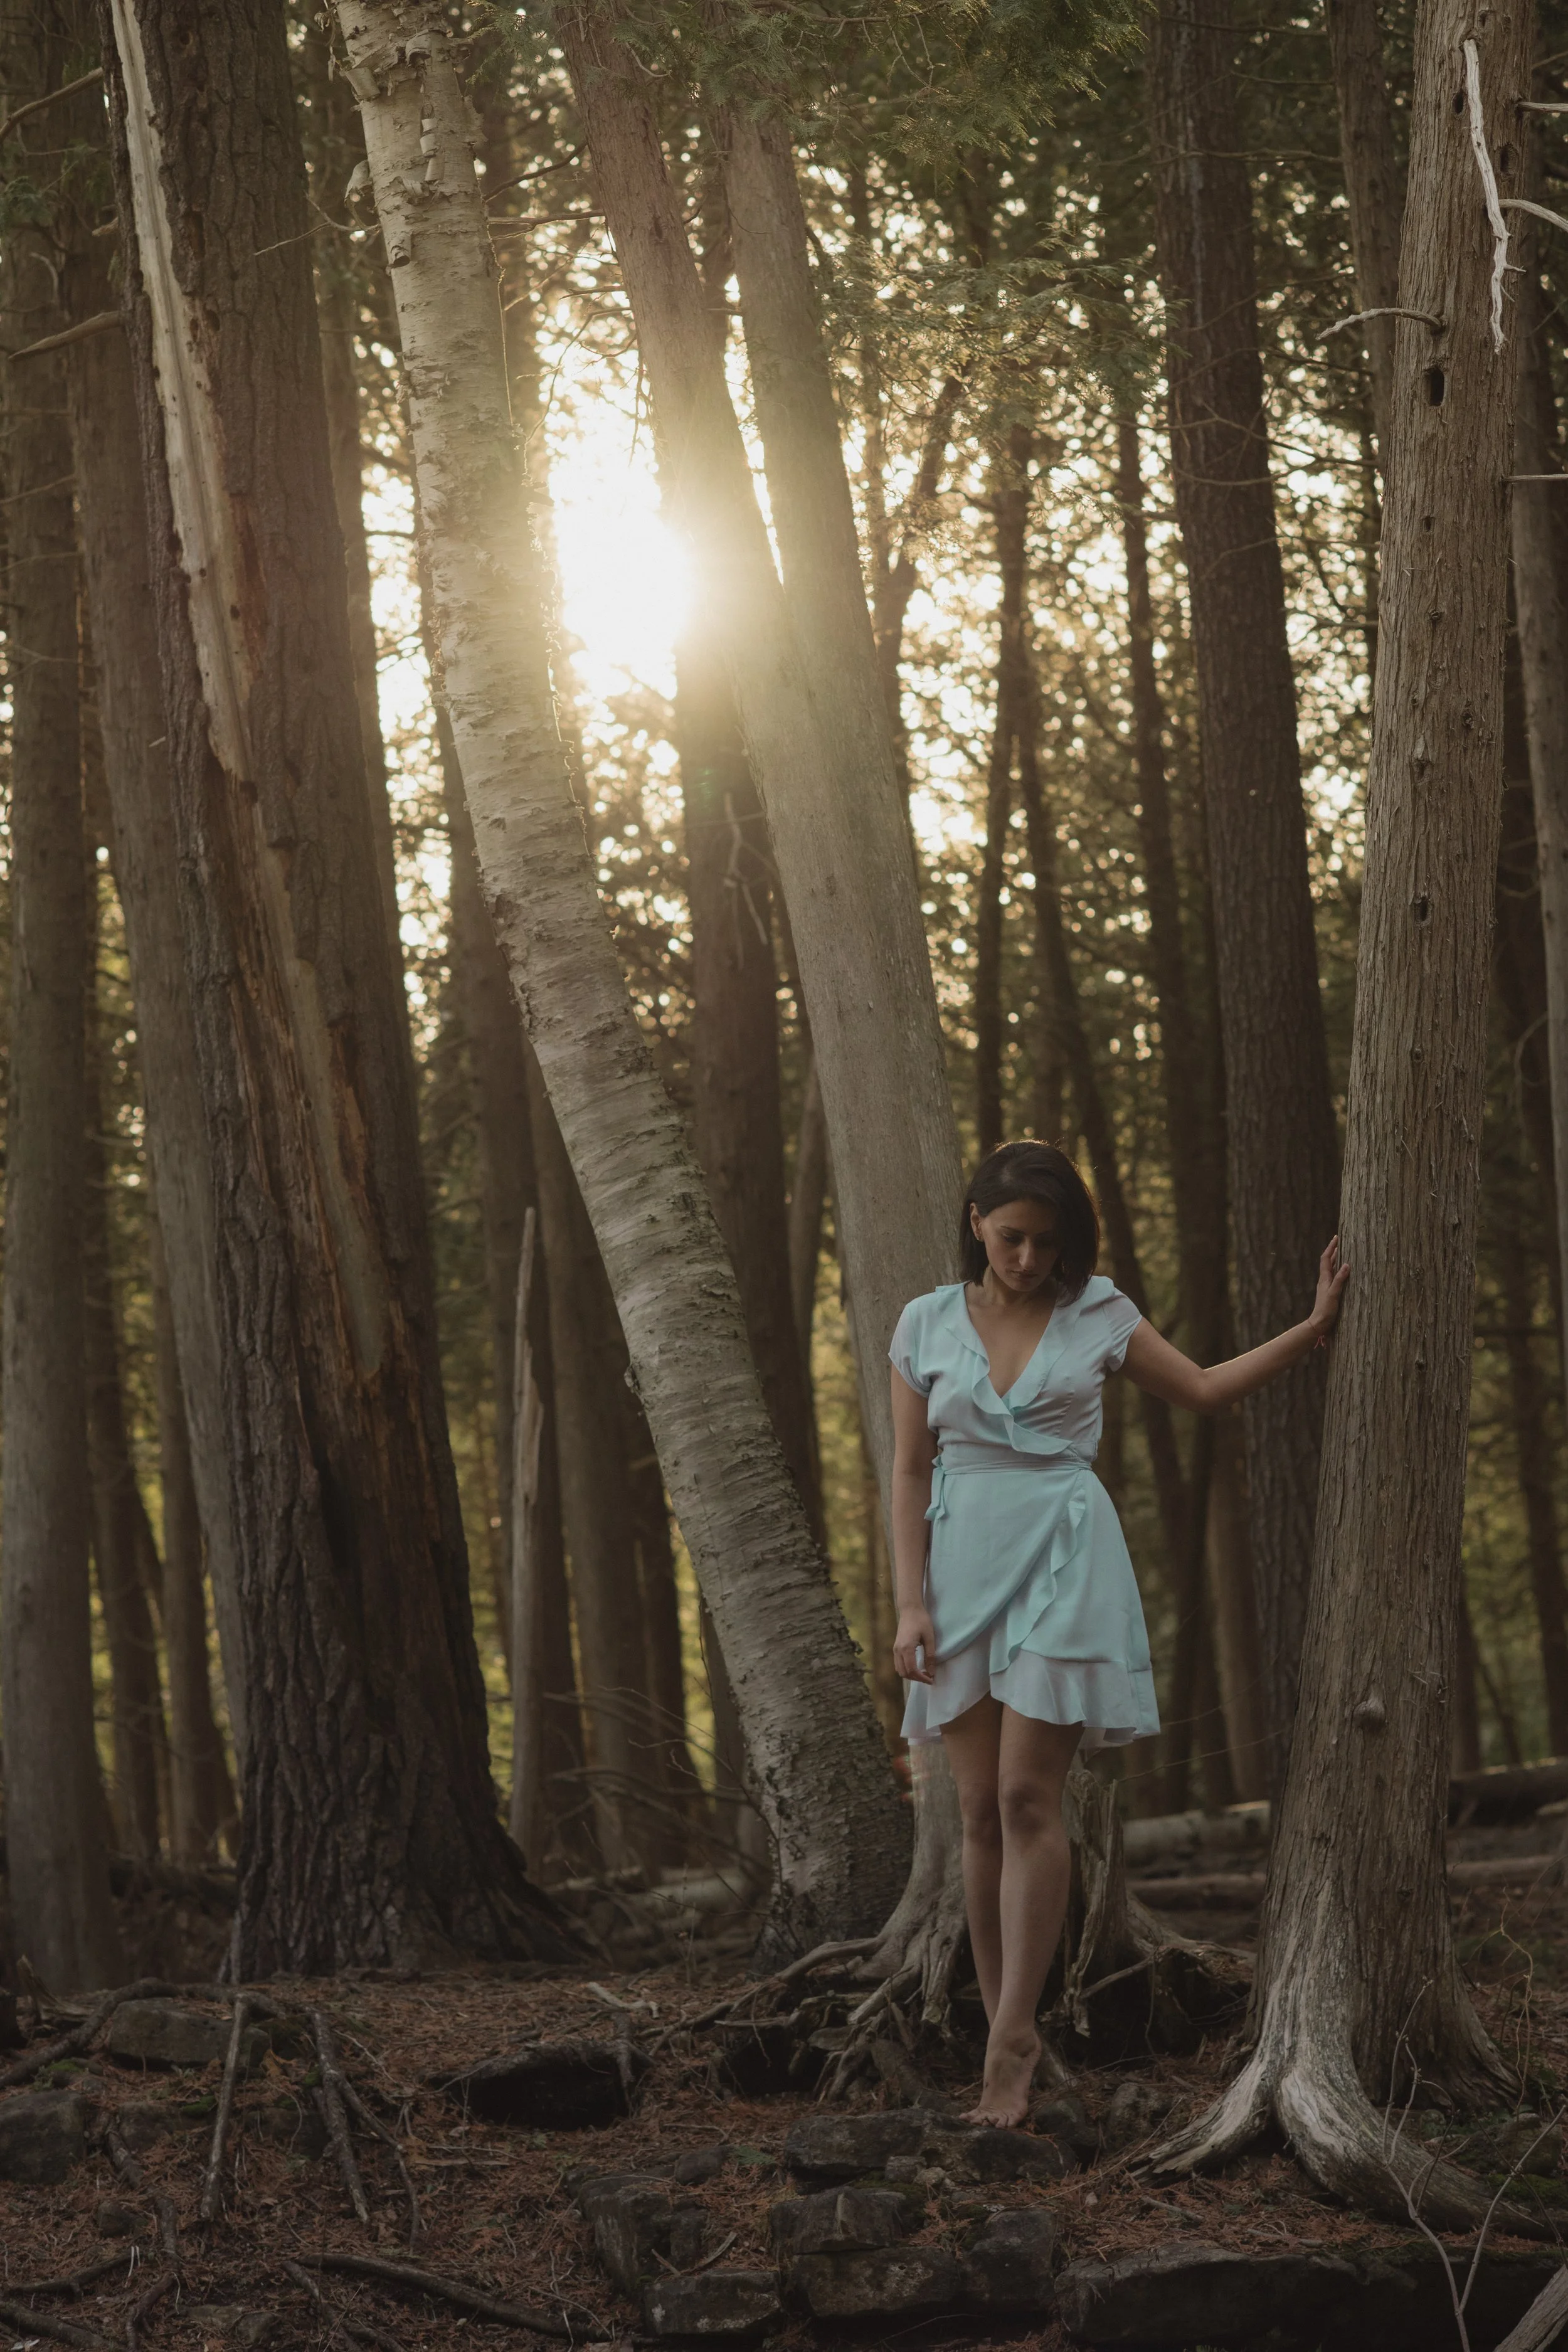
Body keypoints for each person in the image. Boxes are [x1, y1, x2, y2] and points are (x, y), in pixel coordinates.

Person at [890, 1139, 1348, 2127]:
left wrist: (1312, 1327)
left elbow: (1205, 1389)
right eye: (1012, 1238)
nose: (1029, 1258)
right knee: (976, 1810)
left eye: (1048, 1242)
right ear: (976, 1222)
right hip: (959, 1569)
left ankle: (1014, 2037)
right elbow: (909, 1468)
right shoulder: (924, 1320)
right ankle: (999, 2024)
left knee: (1027, 1795)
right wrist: (909, 1602)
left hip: (1065, 1554)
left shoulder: (1097, 1309)